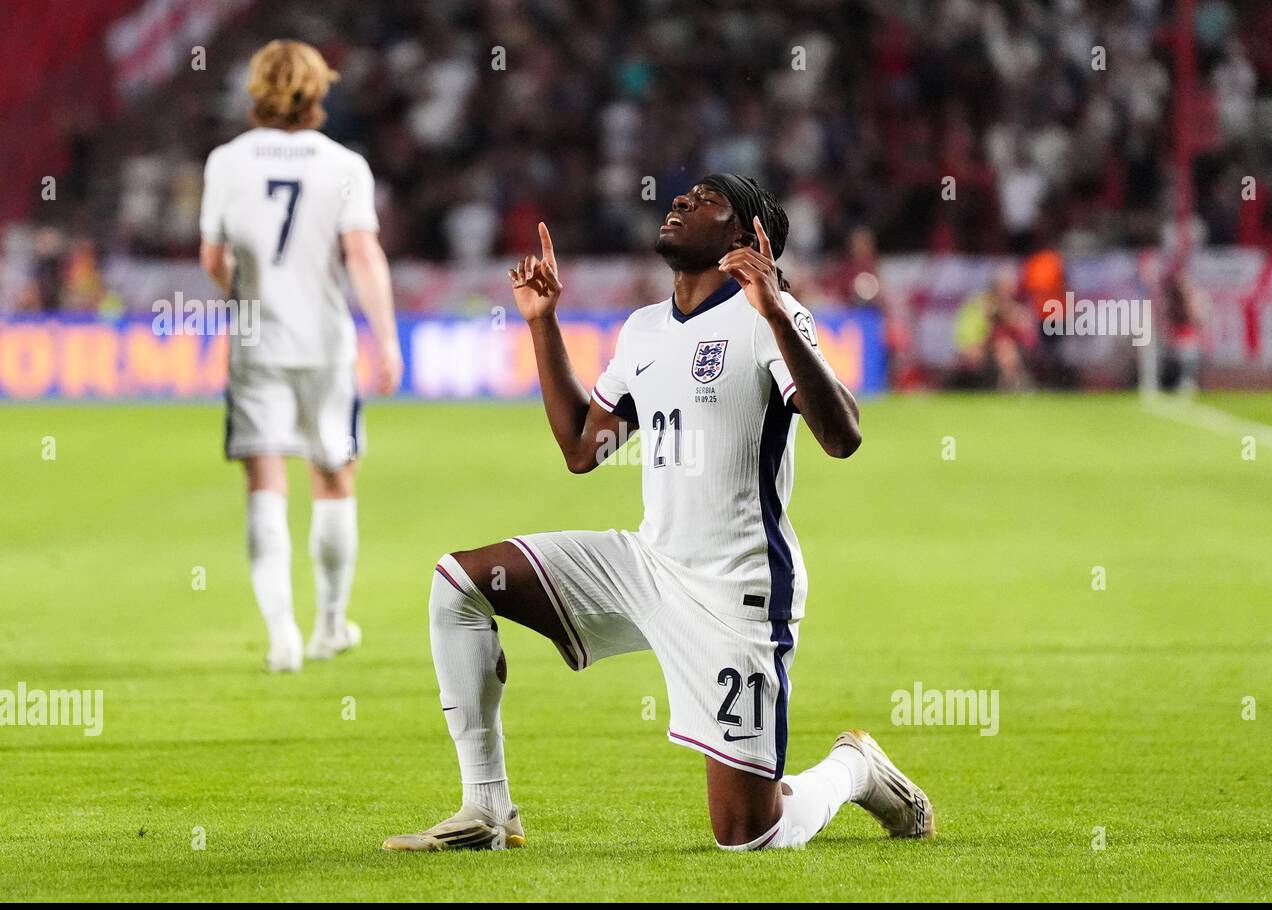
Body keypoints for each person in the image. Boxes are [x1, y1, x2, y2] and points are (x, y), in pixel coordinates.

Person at [384, 175, 934, 853]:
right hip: (647, 564)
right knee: (459, 583)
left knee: (748, 835)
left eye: (706, 200)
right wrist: (541, 322)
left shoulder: (771, 317)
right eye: (683, 195)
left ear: (743, 237)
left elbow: (842, 436)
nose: (679, 202)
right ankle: (487, 811)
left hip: (736, 593)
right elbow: (585, 449)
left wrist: (773, 312)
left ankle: (854, 769)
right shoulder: (644, 330)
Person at [198, 40, 403, 672]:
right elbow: (363, 254)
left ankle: (282, 633)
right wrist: (386, 338)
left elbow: (213, 260)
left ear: (256, 89)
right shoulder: (344, 163)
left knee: (265, 482)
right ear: (319, 90)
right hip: (326, 344)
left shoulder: (226, 161)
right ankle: (331, 625)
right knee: (334, 476)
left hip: (257, 342)